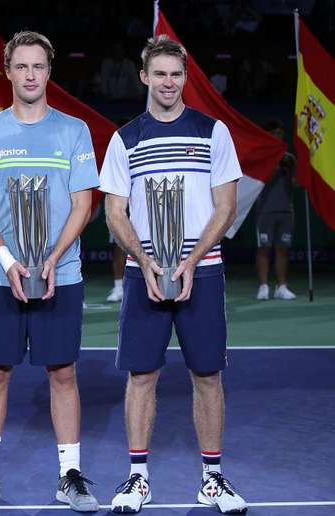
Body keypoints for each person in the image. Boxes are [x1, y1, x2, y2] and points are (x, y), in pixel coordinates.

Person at [101, 35, 248, 514]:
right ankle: (137, 479)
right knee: (141, 375)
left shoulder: (213, 132)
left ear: (185, 78)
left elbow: (225, 207)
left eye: (176, 74)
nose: (168, 82)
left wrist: (189, 260)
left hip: (201, 272)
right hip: (144, 275)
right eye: (159, 73)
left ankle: (212, 479)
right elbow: (115, 213)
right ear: (144, 77)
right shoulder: (126, 138)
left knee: (207, 375)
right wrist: (147, 263)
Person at [0, 31, 99, 513]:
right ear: (9, 71)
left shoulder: (74, 130)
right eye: (22, 67)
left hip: (64, 273)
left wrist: (54, 258)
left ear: (48, 71)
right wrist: (7, 260)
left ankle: (70, 476)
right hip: (2, 277)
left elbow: (84, 203)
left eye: (39, 66)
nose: (31, 75)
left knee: (63, 372)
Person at [254, 121, 296, 300]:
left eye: (280, 133)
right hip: (265, 211)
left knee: (283, 249)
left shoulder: (289, 158)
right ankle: (263, 286)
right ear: (267, 135)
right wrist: (275, 163)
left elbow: (296, 183)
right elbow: (262, 179)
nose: (278, 136)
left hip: (286, 210)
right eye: (274, 133)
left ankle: (281, 286)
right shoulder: (260, 156)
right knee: (264, 248)